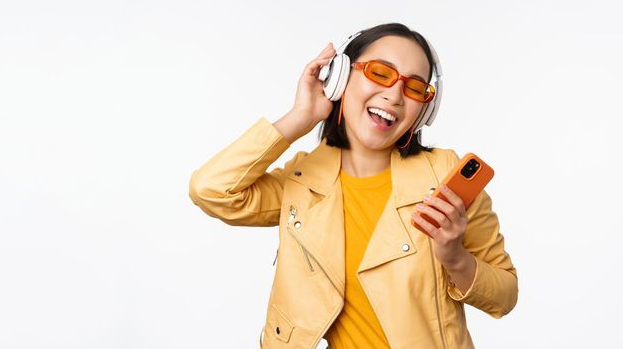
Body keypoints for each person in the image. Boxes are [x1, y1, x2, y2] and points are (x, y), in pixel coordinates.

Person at [188, 23, 518, 349]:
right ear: (340, 78)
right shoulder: (302, 181)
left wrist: (455, 257)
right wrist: (300, 117)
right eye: (380, 73)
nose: (394, 95)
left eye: (416, 88)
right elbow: (212, 189)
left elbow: (504, 295)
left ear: (425, 110)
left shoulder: (445, 178)